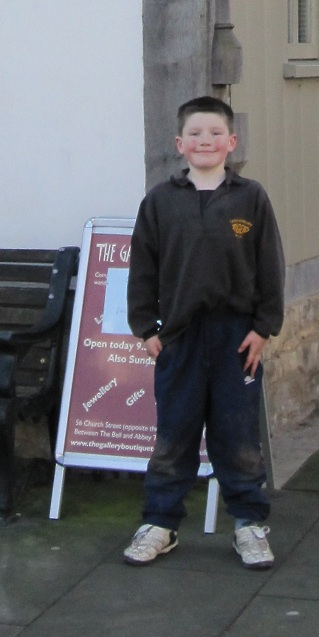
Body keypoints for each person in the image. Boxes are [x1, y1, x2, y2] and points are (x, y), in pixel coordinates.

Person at [122, 96, 285, 570]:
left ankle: (250, 524)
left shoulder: (250, 198)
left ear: (231, 142)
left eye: (215, 133)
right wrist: (147, 329)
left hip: (237, 340)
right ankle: (160, 523)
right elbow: (142, 270)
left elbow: (269, 266)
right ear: (180, 144)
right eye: (195, 134)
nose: (205, 141)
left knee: (237, 436)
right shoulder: (160, 201)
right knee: (174, 434)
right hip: (180, 337)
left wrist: (263, 328)